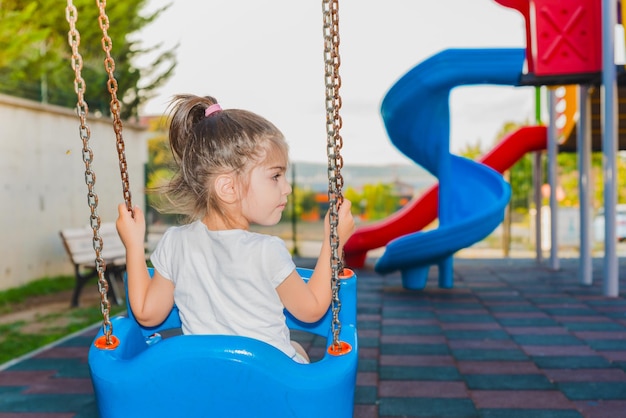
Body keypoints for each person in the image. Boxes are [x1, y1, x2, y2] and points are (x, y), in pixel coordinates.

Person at [116, 94, 355, 364]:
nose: (286, 187)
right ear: (228, 187)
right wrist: (332, 243)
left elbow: (147, 314)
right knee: (297, 350)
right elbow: (311, 310)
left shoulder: (175, 242)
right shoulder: (267, 251)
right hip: (267, 384)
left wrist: (134, 245)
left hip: (207, 381)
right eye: (275, 176)